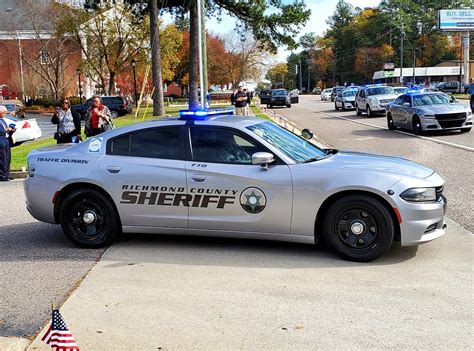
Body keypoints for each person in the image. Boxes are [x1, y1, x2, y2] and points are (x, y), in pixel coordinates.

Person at [0, 105, 15, 181]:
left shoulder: (3, 120)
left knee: (7, 158)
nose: (5, 114)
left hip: (6, 140)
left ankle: (7, 174)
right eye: (4, 113)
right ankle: (2, 175)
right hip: (1, 141)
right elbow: (2, 130)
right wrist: (6, 129)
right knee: (2, 159)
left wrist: (11, 130)